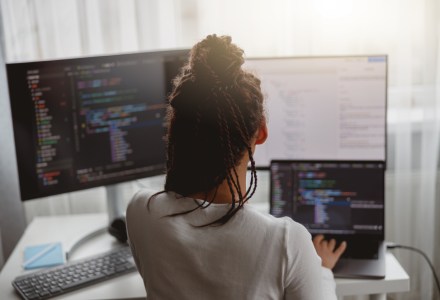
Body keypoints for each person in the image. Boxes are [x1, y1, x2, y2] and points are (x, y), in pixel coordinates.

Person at [126, 34, 347, 300]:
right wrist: (322, 270)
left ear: (177, 131)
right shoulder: (286, 242)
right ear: (261, 132)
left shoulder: (142, 211)